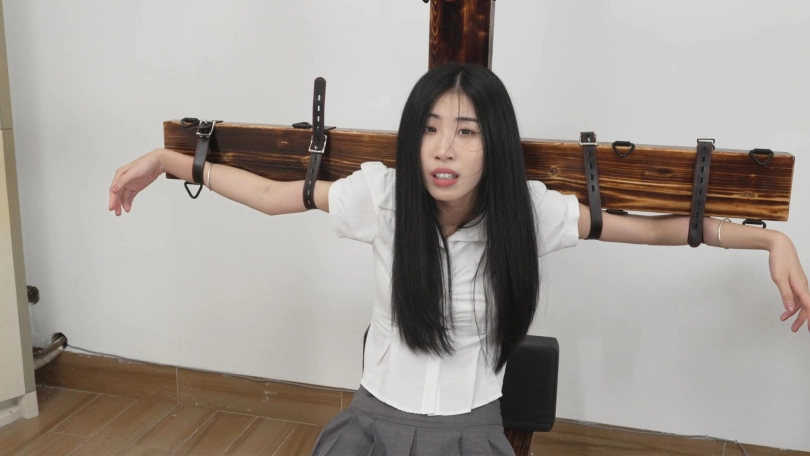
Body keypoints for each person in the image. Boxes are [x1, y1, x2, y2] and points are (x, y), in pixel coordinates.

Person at [109, 63, 809, 455]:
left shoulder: (527, 212)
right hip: (370, 431)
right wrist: (171, 161)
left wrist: (768, 240)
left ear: (492, 142)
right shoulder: (381, 196)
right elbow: (270, 196)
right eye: (430, 130)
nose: (444, 149)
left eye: (466, 132)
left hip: (470, 436)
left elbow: (652, 231)